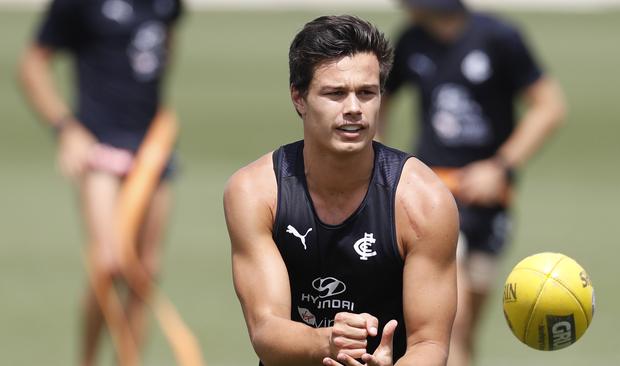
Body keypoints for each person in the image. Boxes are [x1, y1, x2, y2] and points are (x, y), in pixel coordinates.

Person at [224, 15, 459, 366]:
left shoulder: (424, 201)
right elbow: (266, 330)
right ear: (299, 98)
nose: (354, 109)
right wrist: (328, 343)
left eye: (367, 93)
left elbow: (431, 343)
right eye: (335, 93)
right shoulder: (256, 192)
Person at [379, 1, 567, 365]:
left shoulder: (499, 37)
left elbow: (550, 106)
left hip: (488, 200)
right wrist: (380, 162)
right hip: (433, 198)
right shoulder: (411, 41)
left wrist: (500, 167)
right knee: (451, 323)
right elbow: (380, 99)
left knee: (466, 329)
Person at [18, 0, 183, 365]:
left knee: (145, 271)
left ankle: (128, 360)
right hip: (100, 146)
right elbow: (31, 65)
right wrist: (66, 130)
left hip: (152, 149)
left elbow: (164, 48)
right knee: (108, 265)